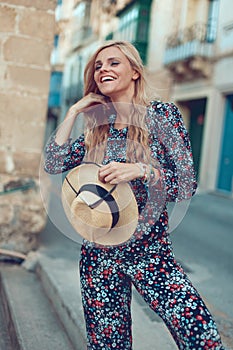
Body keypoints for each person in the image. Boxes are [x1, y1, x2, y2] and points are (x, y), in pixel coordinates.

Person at [44, 40, 224, 349]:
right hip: (99, 253)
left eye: (113, 63)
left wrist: (141, 170)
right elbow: (53, 161)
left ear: (135, 72)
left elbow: (186, 183)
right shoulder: (97, 127)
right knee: (108, 345)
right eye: (98, 66)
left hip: (150, 253)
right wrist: (74, 110)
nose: (104, 70)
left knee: (201, 336)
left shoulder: (162, 115)